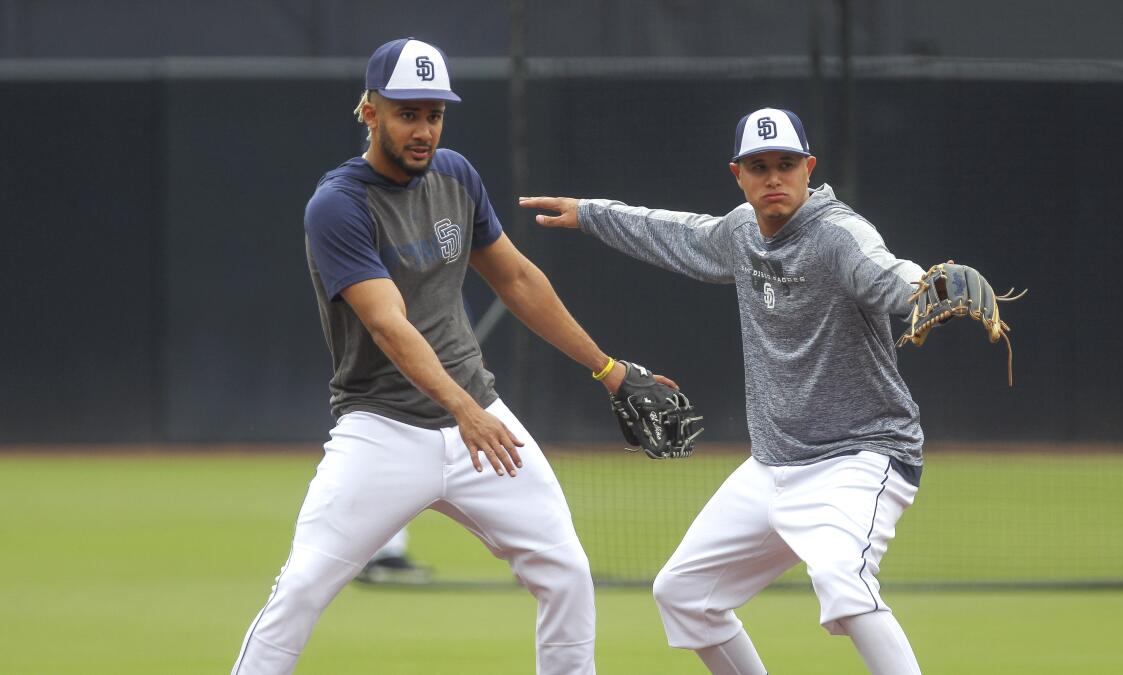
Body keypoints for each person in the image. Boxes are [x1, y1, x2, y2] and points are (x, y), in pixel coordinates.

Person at [232, 37, 668, 675]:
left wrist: (608, 369)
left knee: (567, 574)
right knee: (301, 589)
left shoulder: (457, 176)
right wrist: (464, 409)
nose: (423, 130)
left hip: (480, 423)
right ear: (369, 111)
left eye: (434, 114)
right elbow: (389, 325)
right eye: (407, 112)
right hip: (383, 429)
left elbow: (516, 279)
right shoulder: (338, 205)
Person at [520, 107, 927, 675]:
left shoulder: (838, 235)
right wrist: (590, 214)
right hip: (773, 466)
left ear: (809, 167)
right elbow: (675, 231)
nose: (774, 178)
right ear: (738, 174)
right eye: (758, 167)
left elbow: (885, 274)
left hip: (859, 456)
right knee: (684, 594)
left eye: (786, 164)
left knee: (842, 578)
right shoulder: (741, 232)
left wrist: (924, 287)